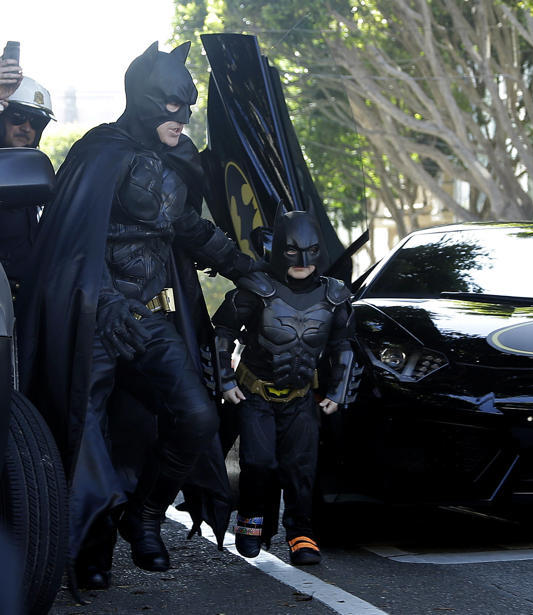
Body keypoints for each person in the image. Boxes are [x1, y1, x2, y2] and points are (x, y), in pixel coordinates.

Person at [17, 42, 259, 591]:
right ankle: (90, 547)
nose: (183, 117)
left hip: (150, 318)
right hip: (92, 320)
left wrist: (251, 270)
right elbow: (75, 242)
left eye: (188, 106)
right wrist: (104, 302)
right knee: (85, 432)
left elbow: (190, 230)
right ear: (147, 102)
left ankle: (144, 513)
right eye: (175, 107)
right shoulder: (99, 153)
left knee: (197, 416)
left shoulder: (177, 158)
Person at [212, 210, 356, 566]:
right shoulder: (256, 289)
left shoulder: (334, 295)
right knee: (258, 463)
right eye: (292, 251)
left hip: (301, 397)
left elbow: (345, 346)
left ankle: (300, 534)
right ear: (279, 250)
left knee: (300, 467)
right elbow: (221, 334)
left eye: (310, 251)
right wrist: (226, 380)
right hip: (255, 394)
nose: (302, 261)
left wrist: (338, 392)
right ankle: (250, 523)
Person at [0, 76, 55, 302]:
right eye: (18, 117)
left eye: (37, 122)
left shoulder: (40, 173)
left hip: (28, 300)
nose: (26, 128)